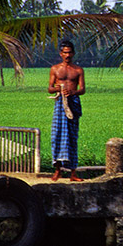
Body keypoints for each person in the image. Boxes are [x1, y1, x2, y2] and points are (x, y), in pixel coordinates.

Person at [48, 40, 85, 181]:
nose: (67, 55)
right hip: (60, 104)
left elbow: (82, 89)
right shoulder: (55, 69)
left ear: (73, 53)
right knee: (57, 135)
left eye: (70, 52)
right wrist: (58, 88)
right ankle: (57, 170)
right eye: (65, 52)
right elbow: (50, 88)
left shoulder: (78, 70)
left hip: (73, 104)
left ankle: (73, 173)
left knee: (72, 137)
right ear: (61, 54)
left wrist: (73, 92)